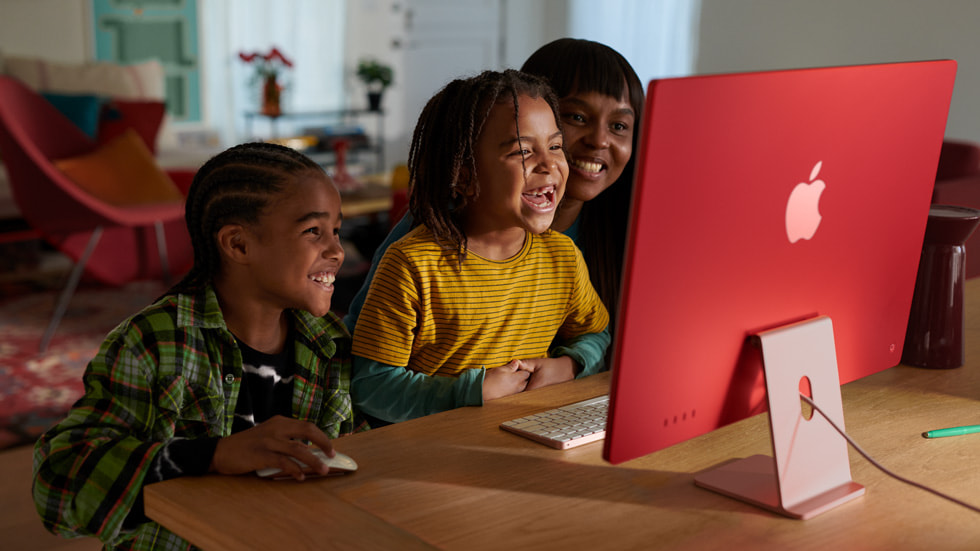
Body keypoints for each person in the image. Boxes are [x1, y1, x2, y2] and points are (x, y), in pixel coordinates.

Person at [33, 143, 365, 550]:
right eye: (313, 231)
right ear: (238, 245)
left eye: (336, 230)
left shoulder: (332, 344)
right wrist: (213, 455)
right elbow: (58, 486)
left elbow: (357, 461)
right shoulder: (151, 344)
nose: (336, 250)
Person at [351, 69, 610, 424]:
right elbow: (371, 386)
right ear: (463, 173)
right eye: (522, 151)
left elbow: (595, 332)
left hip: (526, 441)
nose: (549, 165)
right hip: (426, 458)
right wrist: (468, 392)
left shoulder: (563, 257)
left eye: (554, 146)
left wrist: (569, 365)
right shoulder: (412, 265)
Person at [344, 38, 644, 334]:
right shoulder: (438, 226)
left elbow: (598, 336)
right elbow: (364, 337)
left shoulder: (613, 233)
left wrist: (572, 362)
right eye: (577, 117)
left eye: (619, 126)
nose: (600, 140)